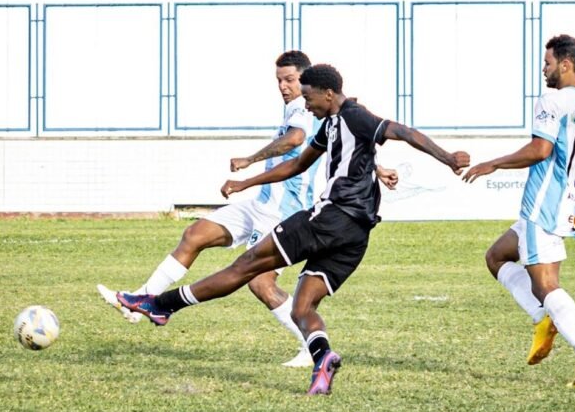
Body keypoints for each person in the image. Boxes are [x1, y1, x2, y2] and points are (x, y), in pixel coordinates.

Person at [116, 63, 470, 395]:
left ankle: (162, 305)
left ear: (328, 93)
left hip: (331, 219)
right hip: (355, 238)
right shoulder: (329, 125)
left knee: (248, 266)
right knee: (302, 307)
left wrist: (448, 158)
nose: (306, 103)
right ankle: (323, 359)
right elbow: (299, 165)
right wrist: (247, 182)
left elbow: (402, 131)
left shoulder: (355, 115)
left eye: (309, 97)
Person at [97, 51, 398, 368]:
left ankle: (310, 349)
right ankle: (142, 300)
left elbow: (299, 140)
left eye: (290, 80)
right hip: (261, 202)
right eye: (279, 80)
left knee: (260, 283)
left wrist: (250, 160)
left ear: (310, 83)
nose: (283, 86)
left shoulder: (308, 109)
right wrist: (377, 168)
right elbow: (345, 147)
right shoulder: (317, 111)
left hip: (285, 210)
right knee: (196, 234)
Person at [462, 34, 575, 388]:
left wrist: (493, 163)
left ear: (566, 65)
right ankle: (543, 318)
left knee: (546, 284)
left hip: (543, 207)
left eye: (548, 63)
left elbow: (540, 150)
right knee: (496, 257)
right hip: (566, 207)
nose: (544, 69)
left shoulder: (552, 100)